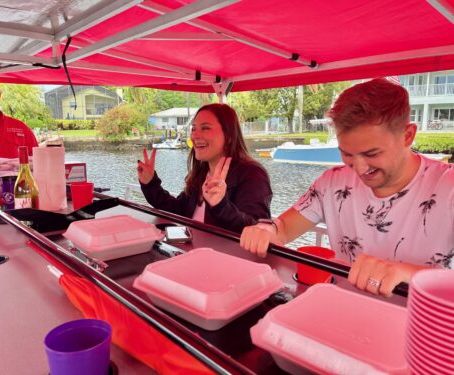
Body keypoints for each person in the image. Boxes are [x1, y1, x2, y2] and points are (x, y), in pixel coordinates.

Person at [240, 78, 453, 297]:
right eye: (347, 154)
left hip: (421, 321)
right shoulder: (332, 182)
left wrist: (405, 272)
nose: (359, 168)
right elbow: (283, 228)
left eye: (372, 154)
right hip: (343, 306)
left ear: (407, 136)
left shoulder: (448, 186)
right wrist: (267, 230)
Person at [137, 103, 273, 233]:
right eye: (193, 129)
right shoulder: (202, 172)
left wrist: (221, 205)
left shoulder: (252, 174)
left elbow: (257, 230)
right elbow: (178, 209)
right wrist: (150, 184)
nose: (195, 135)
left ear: (229, 136)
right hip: (194, 252)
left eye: (205, 128)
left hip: (223, 257)